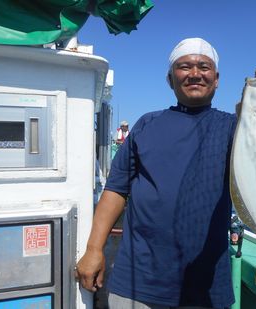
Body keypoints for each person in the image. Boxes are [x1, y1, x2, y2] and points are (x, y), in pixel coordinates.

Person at [75, 38, 237, 309]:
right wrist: (94, 250)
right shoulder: (147, 124)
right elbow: (116, 189)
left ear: (216, 79)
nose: (195, 73)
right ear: (170, 79)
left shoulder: (235, 128)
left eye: (204, 67)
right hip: (137, 281)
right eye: (185, 66)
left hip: (206, 287)